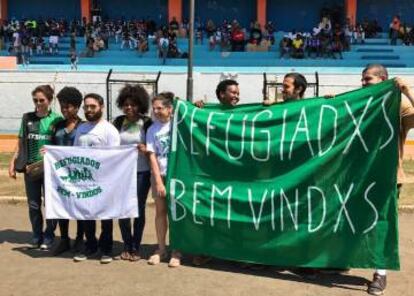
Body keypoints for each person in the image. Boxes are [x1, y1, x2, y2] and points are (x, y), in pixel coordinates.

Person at [359, 64, 414, 296]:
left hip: (386, 175)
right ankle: (341, 259)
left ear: (382, 80)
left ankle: (380, 273)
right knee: (352, 219)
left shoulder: (398, 102)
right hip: (358, 175)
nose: (363, 83)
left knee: (380, 224)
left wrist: (408, 91)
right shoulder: (360, 102)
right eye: (362, 80)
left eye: (367, 80)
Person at [8, 85, 63, 250]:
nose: (38, 103)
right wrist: (12, 162)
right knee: (33, 204)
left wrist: (51, 150)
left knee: (50, 204)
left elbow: (60, 144)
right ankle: (36, 235)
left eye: (41, 100)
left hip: (50, 169)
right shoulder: (27, 118)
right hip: (30, 169)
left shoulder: (57, 119)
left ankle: (49, 235)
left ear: (49, 100)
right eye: (35, 100)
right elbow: (20, 142)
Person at [73, 93, 121, 264]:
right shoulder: (81, 128)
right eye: (86, 107)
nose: (89, 110)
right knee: (87, 215)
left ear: (101, 107)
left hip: (104, 181)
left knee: (106, 217)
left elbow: (115, 158)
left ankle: (106, 249)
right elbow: (74, 153)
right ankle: (90, 246)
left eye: (93, 106)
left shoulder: (109, 130)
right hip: (85, 181)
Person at [113, 85, 152, 262]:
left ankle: (136, 246)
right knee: (122, 210)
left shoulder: (147, 122)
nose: (129, 108)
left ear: (141, 105)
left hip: (142, 173)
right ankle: (126, 244)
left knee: (138, 209)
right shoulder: (118, 122)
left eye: (133, 104)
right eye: (126, 104)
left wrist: (146, 149)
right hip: (122, 174)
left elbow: (155, 145)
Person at [147, 92, 182, 267]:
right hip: (159, 175)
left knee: (177, 214)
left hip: (178, 175)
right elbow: (152, 156)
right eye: (154, 109)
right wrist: (159, 181)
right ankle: (161, 248)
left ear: (170, 109)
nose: (156, 111)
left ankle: (177, 250)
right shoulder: (152, 129)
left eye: (160, 108)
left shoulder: (179, 125)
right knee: (160, 212)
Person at [51, 87, 84, 255]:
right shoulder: (56, 125)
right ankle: (64, 239)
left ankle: (80, 239)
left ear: (77, 107)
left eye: (68, 107)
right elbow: (50, 146)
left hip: (79, 176)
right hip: (60, 176)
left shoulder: (84, 126)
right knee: (61, 206)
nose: (64, 110)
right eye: (62, 106)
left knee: (79, 206)